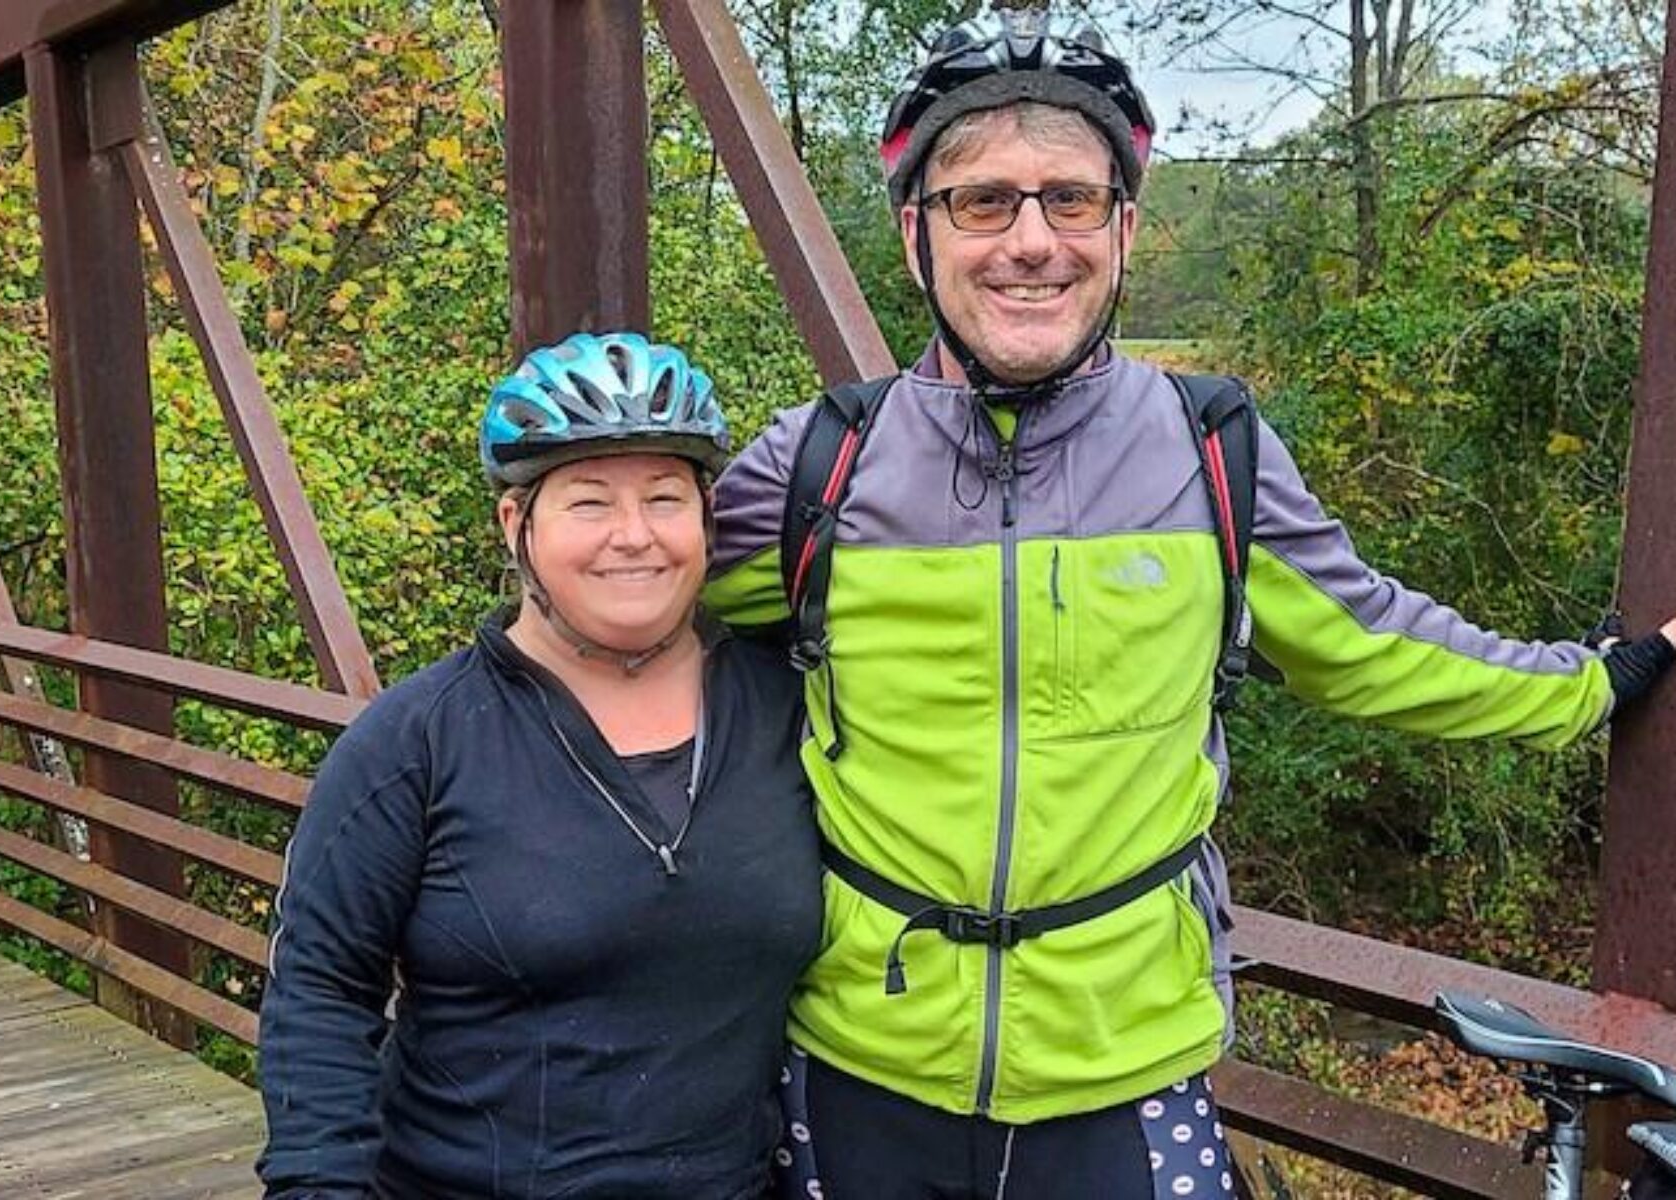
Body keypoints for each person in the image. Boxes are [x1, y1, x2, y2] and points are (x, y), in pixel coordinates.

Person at [705, 10, 1676, 1198]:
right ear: (915, 232)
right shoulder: (821, 465)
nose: (1030, 240)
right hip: (860, 1057)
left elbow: (1368, 640)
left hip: (1129, 1062)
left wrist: (1592, 684)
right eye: (982, 200)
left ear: (1124, 229)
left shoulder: (1207, 448)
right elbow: (629, 612)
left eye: (1071, 199)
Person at [256, 332, 823, 1200]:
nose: (634, 538)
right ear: (516, 524)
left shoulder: (787, 709)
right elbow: (320, 994)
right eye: (590, 503)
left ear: (707, 518)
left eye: (666, 499)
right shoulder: (416, 741)